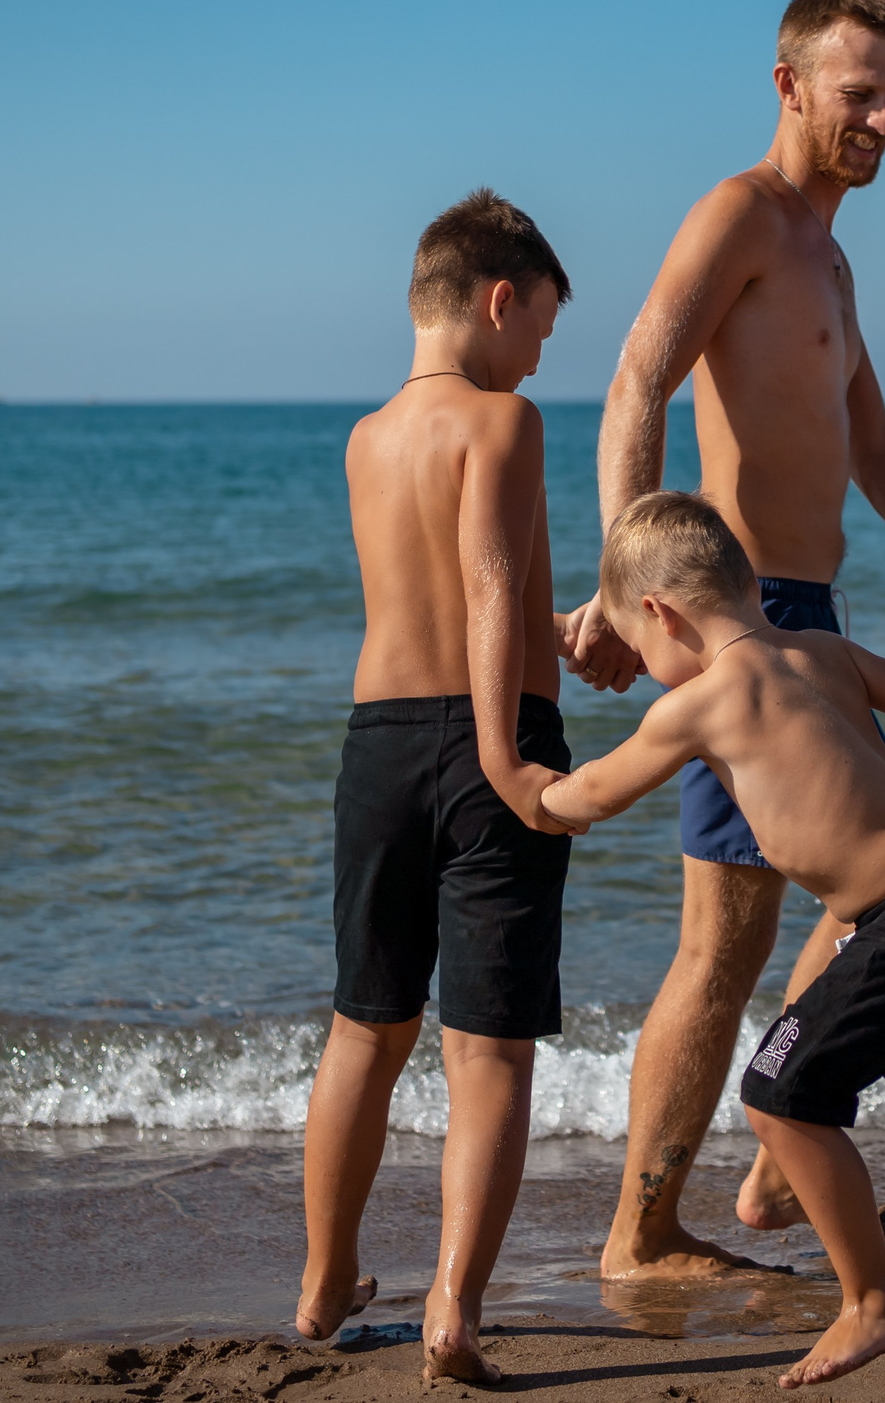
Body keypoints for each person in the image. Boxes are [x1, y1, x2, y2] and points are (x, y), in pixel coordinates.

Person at [561, 0, 885, 1277]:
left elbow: (873, 444)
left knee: (883, 884)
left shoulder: (831, 255)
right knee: (728, 938)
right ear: (789, 85)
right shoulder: (742, 215)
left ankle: (773, 1161)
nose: (881, 118)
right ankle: (643, 1232)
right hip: (736, 625)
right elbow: (639, 373)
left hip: (805, 613)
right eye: (859, 92)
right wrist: (618, 583)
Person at [544, 492, 885, 1393]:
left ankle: (875, 1300)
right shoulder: (822, 651)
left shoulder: (699, 703)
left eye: (640, 651)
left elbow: (594, 793)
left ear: (659, 614)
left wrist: (524, 791)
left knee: (777, 1090)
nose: (646, 669)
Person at [293, 190, 582, 1386]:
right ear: (498, 297)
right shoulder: (504, 421)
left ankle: (322, 1280)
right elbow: (484, 586)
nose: (537, 356)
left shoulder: (367, 436)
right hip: (488, 737)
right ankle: (452, 1309)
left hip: (377, 741)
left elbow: (481, 599)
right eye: (542, 329)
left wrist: (571, 634)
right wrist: (510, 751)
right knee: (489, 1046)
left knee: (366, 1022)